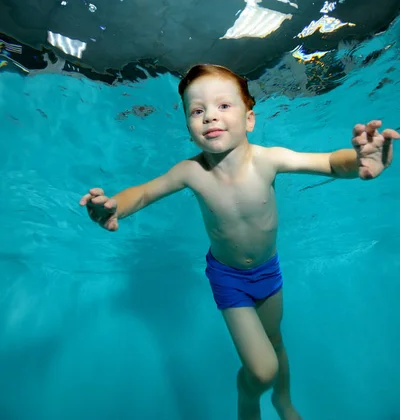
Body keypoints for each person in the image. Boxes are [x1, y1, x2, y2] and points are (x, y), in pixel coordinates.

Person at [80, 63, 399, 420]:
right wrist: (114, 209)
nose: (209, 117)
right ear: (189, 128)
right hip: (228, 278)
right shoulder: (192, 172)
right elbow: (143, 193)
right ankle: (248, 402)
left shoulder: (268, 159)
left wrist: (359, 160)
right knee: (262, 370)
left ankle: (283, 401)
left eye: (223, 106)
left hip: (268, 270)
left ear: (249, 119)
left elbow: (327, 162)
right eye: (197, 110)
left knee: (277, 344)